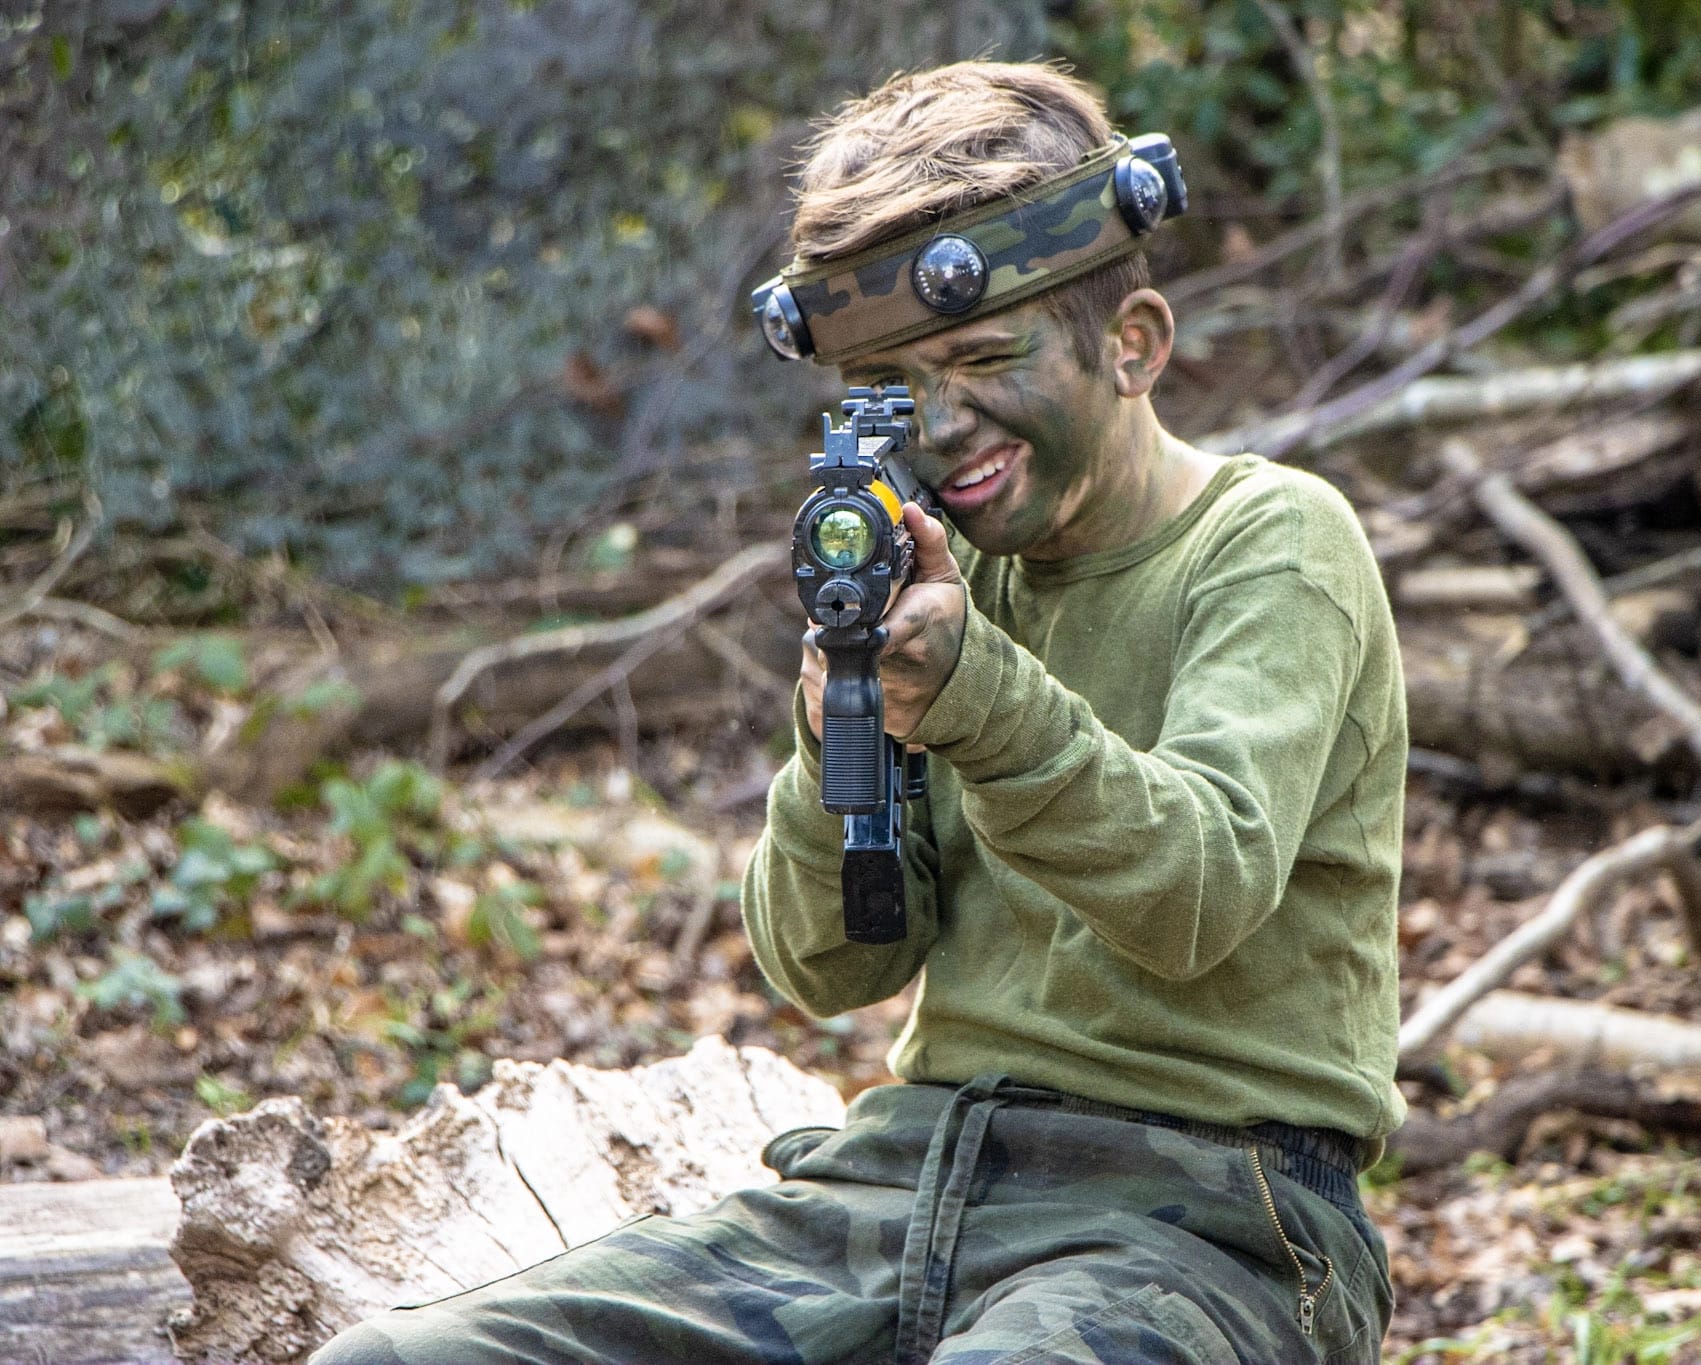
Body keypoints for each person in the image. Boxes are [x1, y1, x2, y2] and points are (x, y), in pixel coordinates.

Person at [313, 58, 1405, 1365]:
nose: (944, 425)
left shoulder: (1271, 540)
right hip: (904, 1181)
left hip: (1212, 1217)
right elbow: (825, 962)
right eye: (893, 387)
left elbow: (1199, 888)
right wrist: (846, 703)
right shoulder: (950, 566)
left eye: (986, 359)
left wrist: (973, 697)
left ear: (1135, 343)